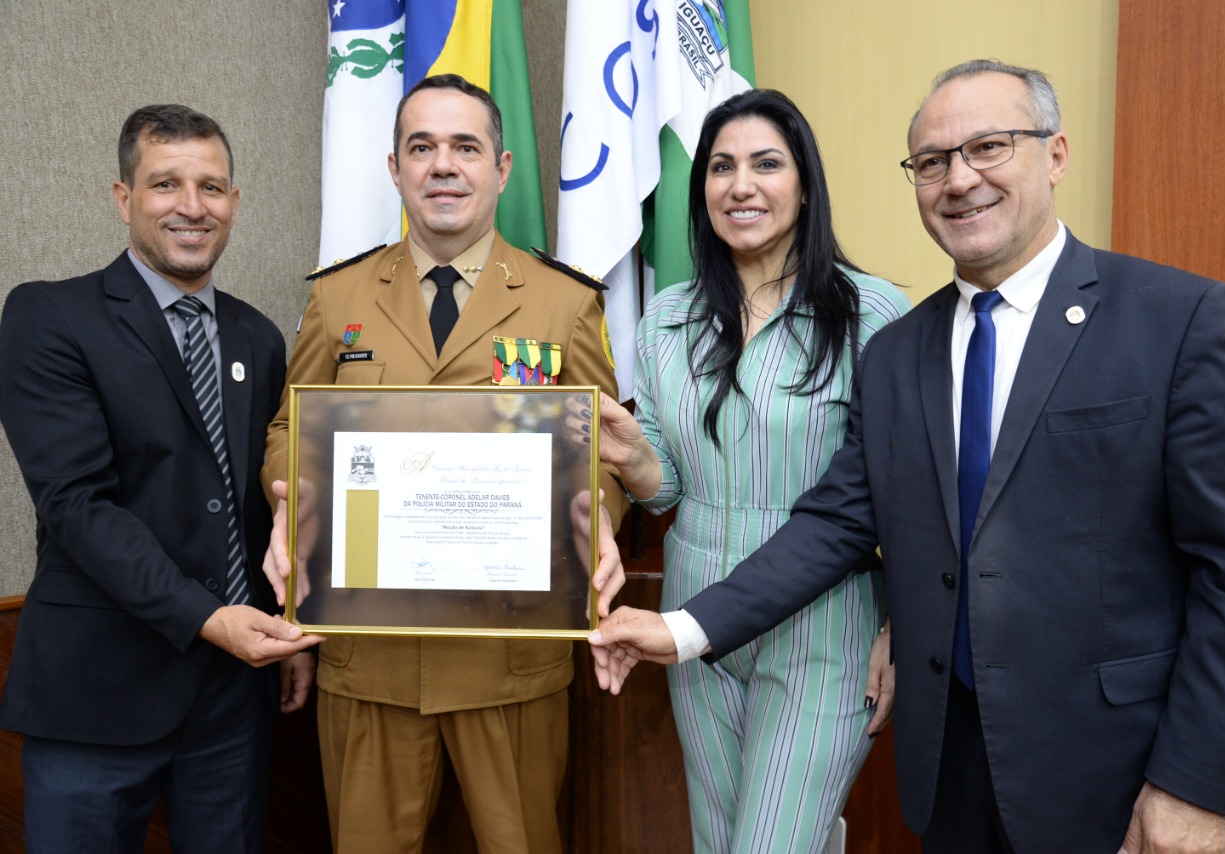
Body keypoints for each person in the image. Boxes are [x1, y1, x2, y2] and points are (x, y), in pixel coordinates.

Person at [589, 60, 1225, 854]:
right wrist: (677, 629)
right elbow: (836, 525)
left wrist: (1193, 781)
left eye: (989, 147)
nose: (960, 180)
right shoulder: (902, 352)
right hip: (947, 763)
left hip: (1107, 771)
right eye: (933, 162)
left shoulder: (1177, 319)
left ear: (1054, 155)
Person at [260, 73, 627, 853]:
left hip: (512, 659)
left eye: (465, 146)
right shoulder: (339, 297)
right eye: (421, 147)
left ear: (501, 169)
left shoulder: (565, 304)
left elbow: (602, 449)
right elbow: (292, 424)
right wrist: (290, 497)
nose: (443, 165)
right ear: (394, 169)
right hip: (371, 661)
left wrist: (593, 509)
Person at [589, 89, 905, 853]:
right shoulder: (669, 316)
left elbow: (908, 494)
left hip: (826, 626)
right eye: (722, 167)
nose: (742, 185)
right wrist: (635, 457)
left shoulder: (875, 313)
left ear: (804, 183)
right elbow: (669, 487)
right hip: (694, 622)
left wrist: (901, 623)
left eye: (767, 164)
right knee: (720, 841)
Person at [0, 104, 322, 854]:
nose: (191, 206)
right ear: (124, 198)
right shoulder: (50, 317)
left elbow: (263, 506)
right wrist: (210, 619)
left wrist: (293, 623)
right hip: (97, 696)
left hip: (232, 702)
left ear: (234, 204)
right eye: (165, 184)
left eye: (211, 187)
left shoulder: (257, 336)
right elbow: (78, 506)